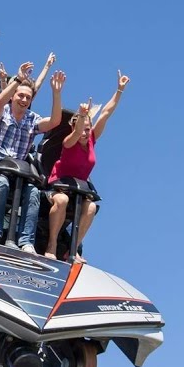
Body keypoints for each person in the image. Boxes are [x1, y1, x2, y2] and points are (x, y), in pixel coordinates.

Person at [43, 71, 128, 261]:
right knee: (62, 200)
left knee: (90, 208)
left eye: (87, 129)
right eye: (82, 129)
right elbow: (76, 133)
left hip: (79, 191)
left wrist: (119, 90)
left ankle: (72, 250)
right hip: (58, 187)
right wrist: (81, 116)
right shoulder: (69, 141)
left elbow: (105, 113)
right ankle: (52, 244)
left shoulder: (92, 139)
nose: (85, 133)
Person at [0, 68, 65, 251]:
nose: (24, 100)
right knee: (2, 183)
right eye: (20, 95)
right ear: (13, 95)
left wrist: (56, 93)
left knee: (33, 192)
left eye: (28, 97)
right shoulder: (1, 112)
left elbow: (54, 122)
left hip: (19, 175)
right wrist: (18, 80)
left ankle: (26, 241)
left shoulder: (32, 119)